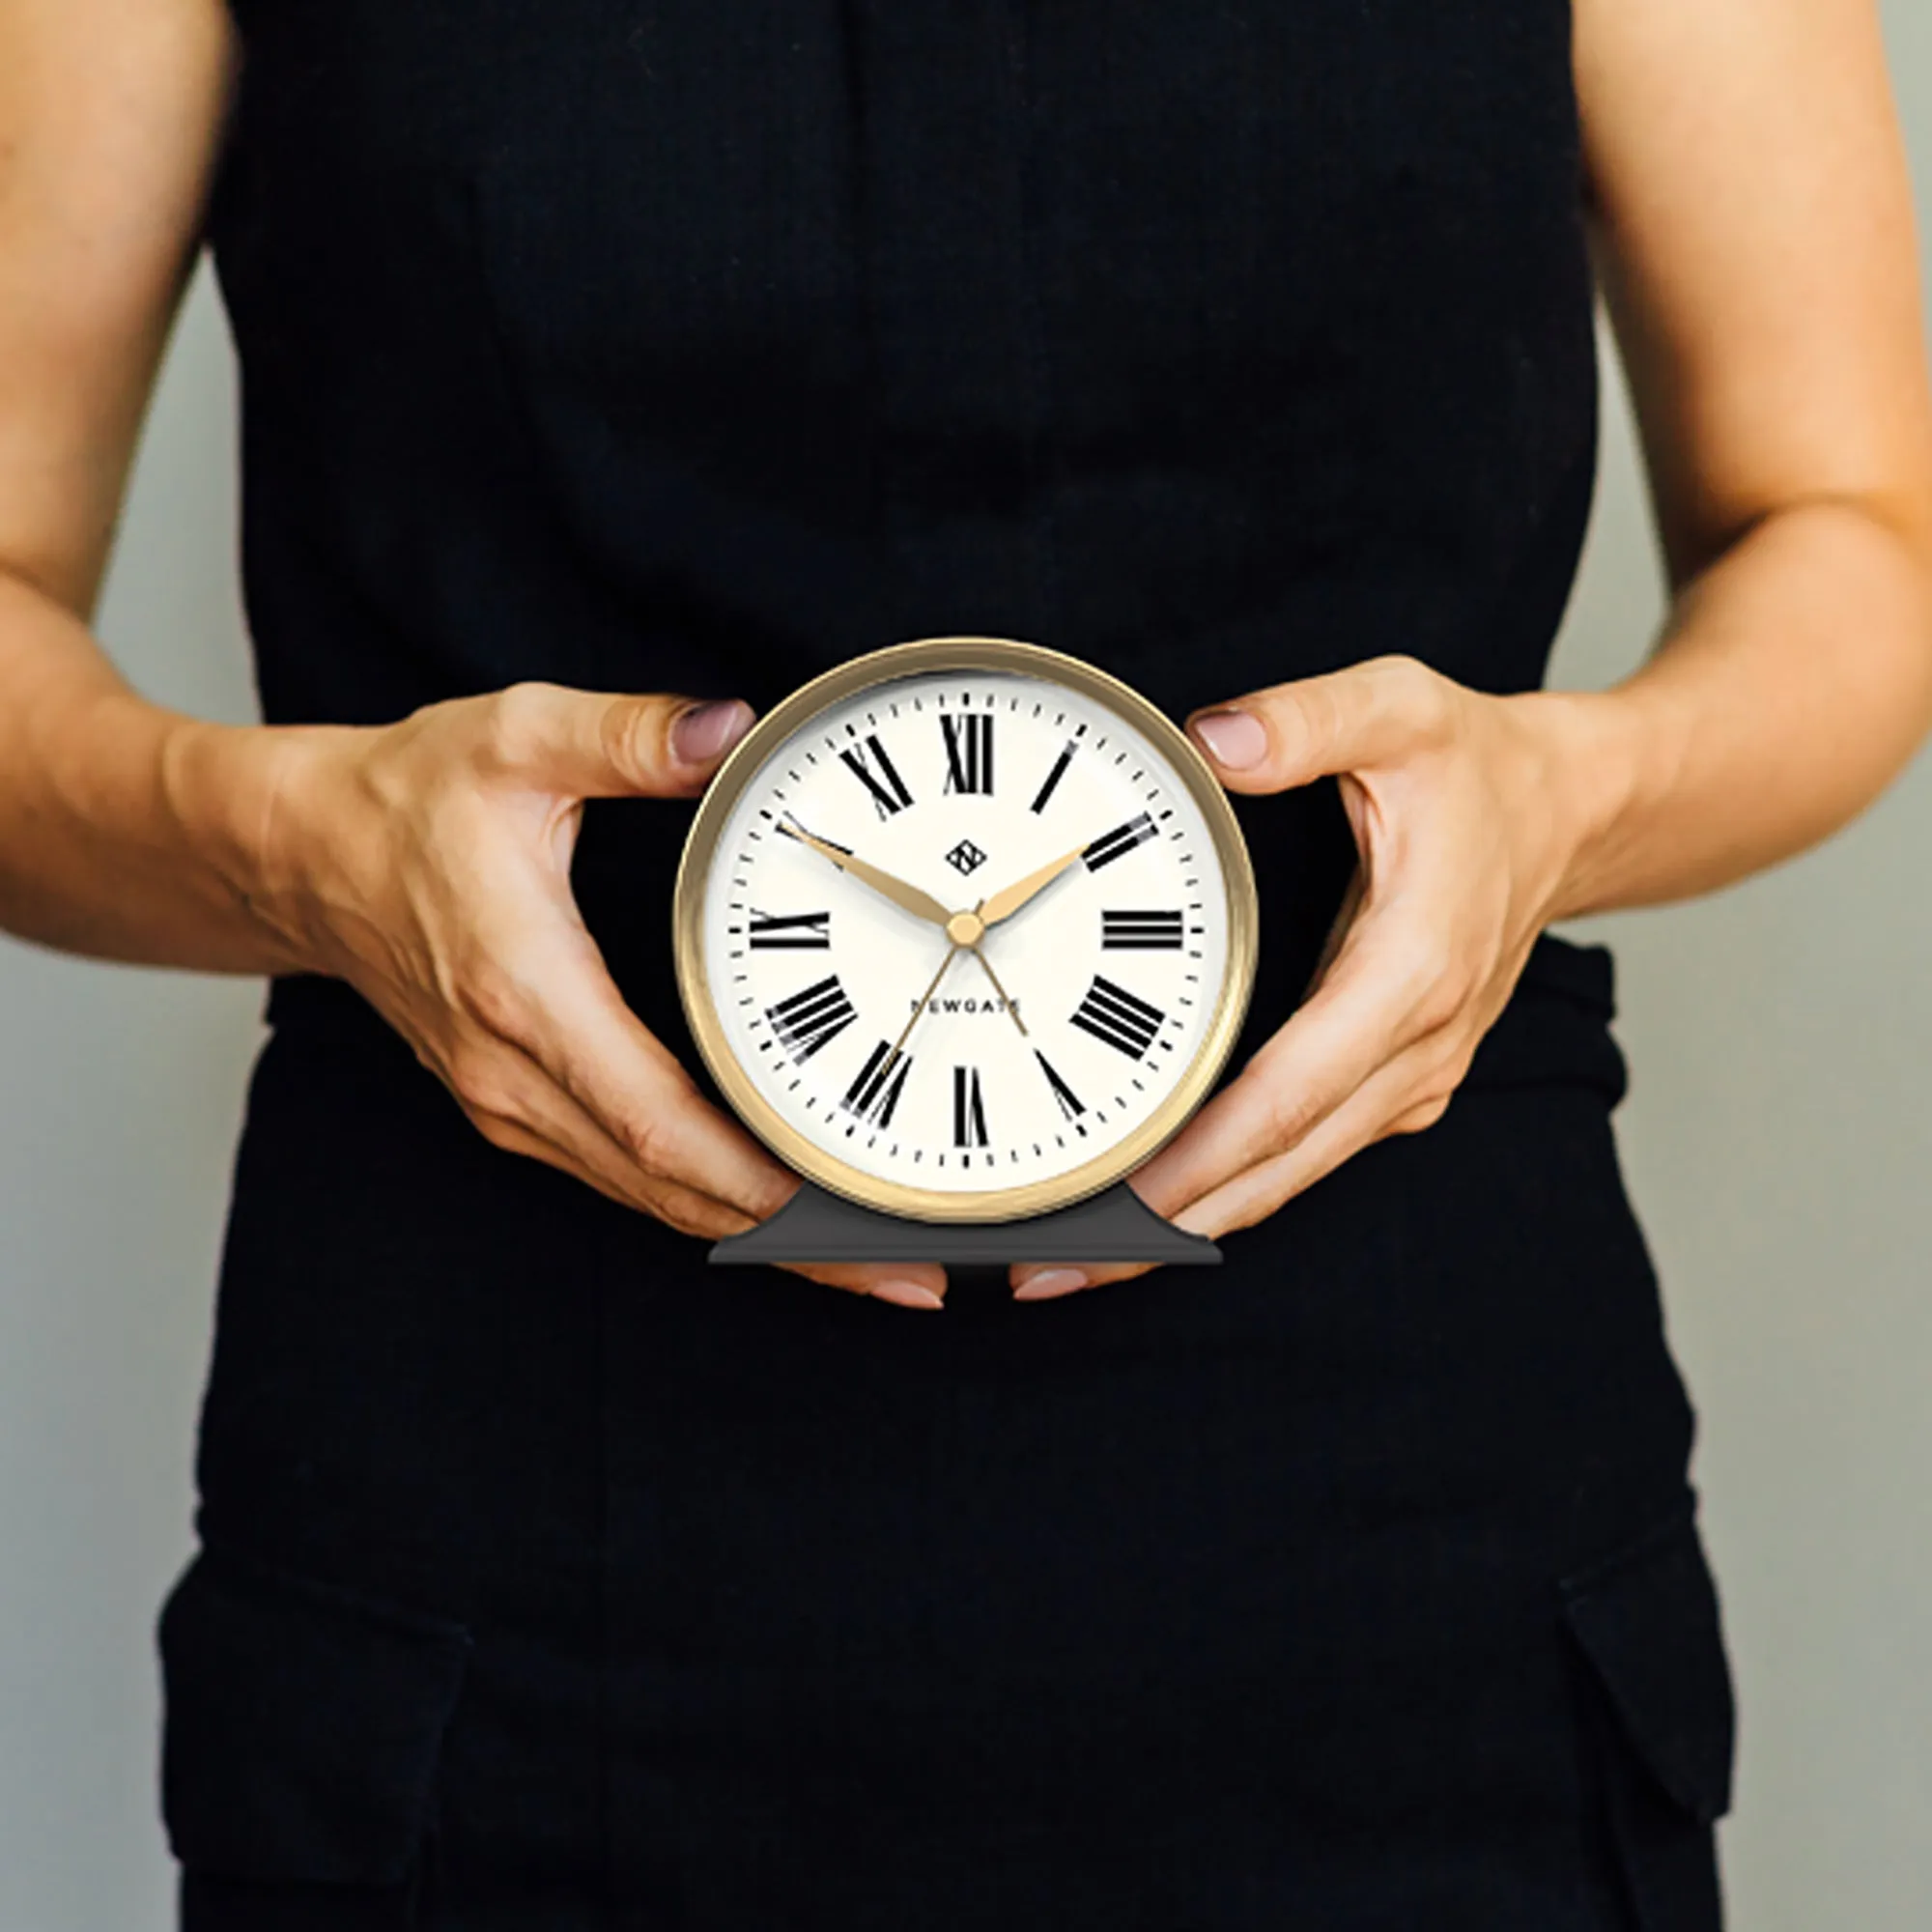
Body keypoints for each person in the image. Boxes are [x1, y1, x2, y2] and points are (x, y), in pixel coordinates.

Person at [3, 0, 1929, 1925]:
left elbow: (1847, 535)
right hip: (503, 1547)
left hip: (1404, 1533)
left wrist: (1561, 798)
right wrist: (295, 850)